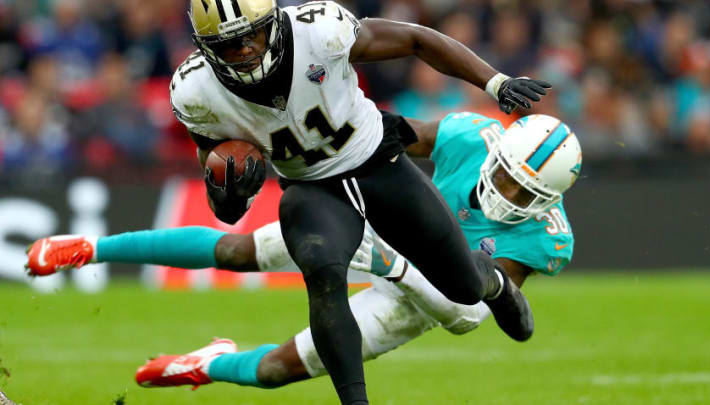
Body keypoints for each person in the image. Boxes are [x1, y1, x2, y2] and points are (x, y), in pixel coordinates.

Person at [37, 0, 554, 402]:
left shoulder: (320, 31)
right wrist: (229, 188)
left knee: (464, 288)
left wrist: (495, 80)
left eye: (251, 38)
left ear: (275, 24)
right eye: (228, 45)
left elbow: (416, 39)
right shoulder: (195, 90)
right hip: (311, 189)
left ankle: (490, 281)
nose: (243, 53)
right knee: (318, 276)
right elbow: (227, 211)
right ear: (203, 45)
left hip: (378, 165)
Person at [26, 112, 581, 393]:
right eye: (506, 178)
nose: (505, 195)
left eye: (523, 194)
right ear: (498, 152)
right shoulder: (467, 135)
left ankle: (208, 363)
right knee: (240, 251)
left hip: (421, 291)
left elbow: (470, 310)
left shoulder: (546, 239)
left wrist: (392, 265)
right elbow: (382, 138)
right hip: (387, 219)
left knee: (275, 370)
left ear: (549, 200)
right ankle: (91, 247)